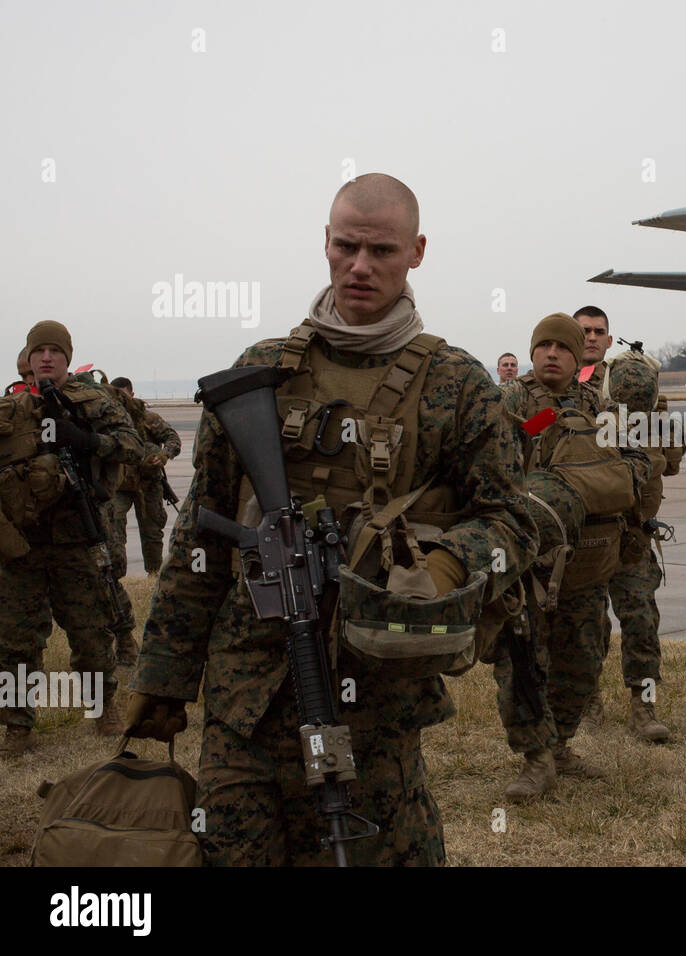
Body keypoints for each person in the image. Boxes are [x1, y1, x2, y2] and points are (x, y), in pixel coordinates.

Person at [126, 173, 536, 865]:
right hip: (244, 696)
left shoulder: (457, 386)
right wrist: (162, 678)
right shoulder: (259, 374)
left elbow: (515, 524)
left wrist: (441, 563)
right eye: (346, 246)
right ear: (325, 241)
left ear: (417, 251)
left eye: (381, 250)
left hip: (375, 699)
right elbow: (201, 533)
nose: (360, 266)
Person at [494, 312, 648, 799]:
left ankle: (559, 743)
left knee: (584, 653)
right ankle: (535, 758)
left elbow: (633, 459)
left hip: (586, 559)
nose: (553, 354)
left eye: (562, 347)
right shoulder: (510, 401)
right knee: (521, 660)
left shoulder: (596, 404)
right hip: (529, 560)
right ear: (533, 352)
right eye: (544, 347)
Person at [0, 322, 143, 756]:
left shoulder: (93, 402)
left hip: (75, 540)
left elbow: (133, 447)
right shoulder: (9, 407)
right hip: (21, 545)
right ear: (27, 357)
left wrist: (86, 439)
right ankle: (18, 729)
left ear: (66, 356)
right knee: (16, 642)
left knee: (90, 634)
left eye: (55, 351)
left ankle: (103, 712)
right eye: (38, 350)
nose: (46, 357)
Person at [574, 305, 671, 742]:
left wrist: (653, 419)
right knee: (586, 623)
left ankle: (643, 707)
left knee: (640, 619)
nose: (591, 337)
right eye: (584, 331)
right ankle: (587, 702)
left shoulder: (637, 382)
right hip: (584, 533)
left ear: (610, 340)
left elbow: (670, 454)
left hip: (631, 532)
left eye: (599, 331)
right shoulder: (558, 388)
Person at [107, 377, 181, 578]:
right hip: (120, 485)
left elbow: (172, 439)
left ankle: (154, 574)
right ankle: (117, 577)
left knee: (151, 531)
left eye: (123, 396)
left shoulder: (148, 419)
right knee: (113, 530)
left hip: (148, 484)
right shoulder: (109, 421)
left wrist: (164, 455)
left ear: (131, 395)